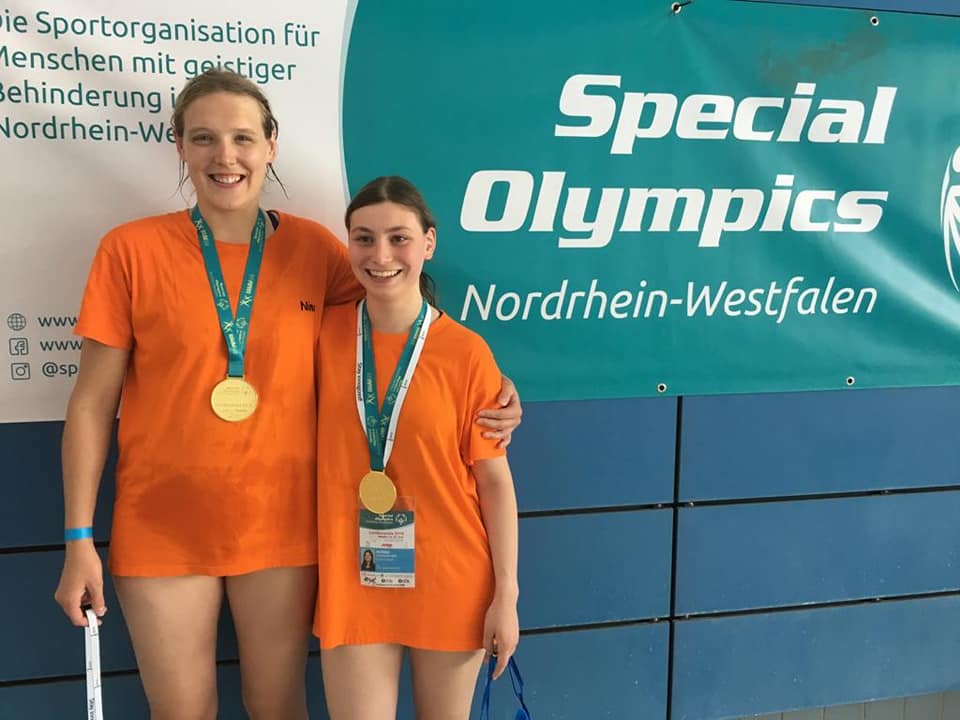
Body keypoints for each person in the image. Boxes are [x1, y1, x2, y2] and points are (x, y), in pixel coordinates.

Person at [52, 70, 522, 720]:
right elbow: (90, 405)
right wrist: (78, 536)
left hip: (282, 529)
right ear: (180, 146)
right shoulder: (130, 251)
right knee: (181, 712)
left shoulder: (315, 250)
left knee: (277, 706)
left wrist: (492, 385)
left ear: (271, 144)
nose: (225, 156)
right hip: (161, 526)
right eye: (204, 138)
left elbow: (400, 323)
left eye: (243, 137)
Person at [313, 176, 520, 720]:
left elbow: (494, 482)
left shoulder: (467, 353)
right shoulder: (320, 336)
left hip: (451, 578)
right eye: (364, 238)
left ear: (429, 243)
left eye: (399, 238)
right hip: (353, 577)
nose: (380, 256)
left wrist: (506, 595)